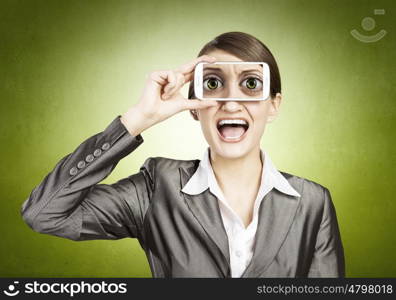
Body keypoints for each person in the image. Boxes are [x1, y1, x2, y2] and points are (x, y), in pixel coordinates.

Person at [20, 31, 345, 278]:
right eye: (213, 83)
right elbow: (44, 214)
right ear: (193, 109)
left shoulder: (312, 201)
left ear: (273, 105)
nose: (231, 103)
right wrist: (138, 119)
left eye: (250, 84)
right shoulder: (155, 188)